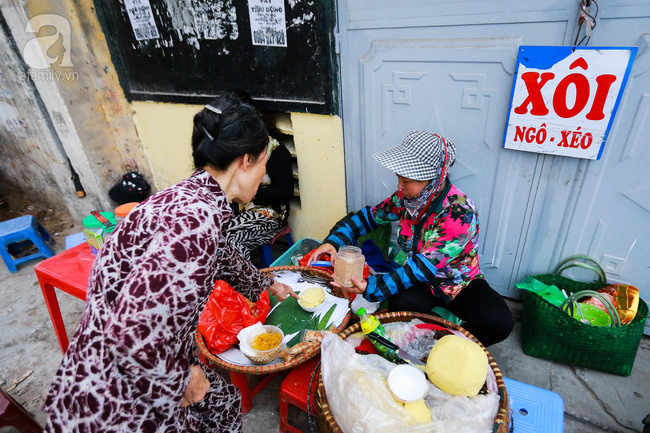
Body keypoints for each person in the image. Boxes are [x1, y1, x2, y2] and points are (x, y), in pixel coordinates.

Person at [42, 91, 298, 433]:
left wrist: (265, 284)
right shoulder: (195, 224)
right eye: (264, 164)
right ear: (246, 162)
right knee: (209, 405)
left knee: (222, 402)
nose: (262, 174)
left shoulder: (189, 197)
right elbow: (132, 336)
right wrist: (182, 381)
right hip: (115, 392)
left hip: (128, 362)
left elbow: (220, 254)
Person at [308, 130, 513, 347]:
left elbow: (421, 268)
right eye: (399, 178)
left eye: (406, 180)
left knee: (499, 322)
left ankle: (447, 346)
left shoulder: (459, 213)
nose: (399, 186)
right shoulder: (407, 199)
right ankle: (405, 344)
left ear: (434, 180)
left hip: (457, 282)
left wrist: (370, 286)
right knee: (400, 304)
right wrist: (333, 242)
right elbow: (368, 217)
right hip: (423, 281)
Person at [226, 95, 294, 260]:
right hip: (238, 208)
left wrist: (252, 193)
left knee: (232, 240)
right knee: (210, 235)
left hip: (269, 213)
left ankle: (245, 282)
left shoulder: (273, 150)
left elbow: (286, 191)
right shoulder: (232, 149)